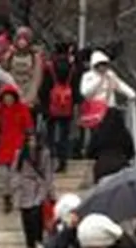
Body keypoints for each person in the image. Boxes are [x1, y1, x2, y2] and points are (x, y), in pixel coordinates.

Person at [0, 85, 34, 213]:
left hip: (18, 146)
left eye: (10, 97)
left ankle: (15, 199)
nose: (8, 100)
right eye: (6, 97)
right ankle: (7, 196)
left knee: (15, 176)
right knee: (4, 176)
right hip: (3, 146)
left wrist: (29, 139)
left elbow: (29, 126)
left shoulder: (22, 109)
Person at [11, 131, 55, 248]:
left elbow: (48, 173)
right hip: (24, 187)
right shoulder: (20, 153)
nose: (32, 143)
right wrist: (15, 186)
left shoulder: (45, 153)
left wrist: (50, 191)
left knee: (37, 214)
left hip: (39, 186)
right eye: (29, 140)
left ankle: (38, 239)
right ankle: (29, 242)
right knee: (26, 215)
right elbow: (15, 171)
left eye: (34, 140)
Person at [39, 41, 79, 172]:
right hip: (67, 107)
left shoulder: (50, 67)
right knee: (64, 135)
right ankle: (63, 162)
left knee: (50, 134)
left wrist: (43, 106)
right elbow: (76, 89)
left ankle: (50, 159)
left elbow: (44, 89)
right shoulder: (72, 68)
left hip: (51, 106)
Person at [1, 26, 46, 116]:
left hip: (28, 93)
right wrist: (7, 55)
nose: (22, 42)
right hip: (12, 94)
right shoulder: (11, 54)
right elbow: (3, 71)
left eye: (24, 39)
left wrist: (29, 99)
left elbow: (37, 79)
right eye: (19, 39)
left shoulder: (35, 57)